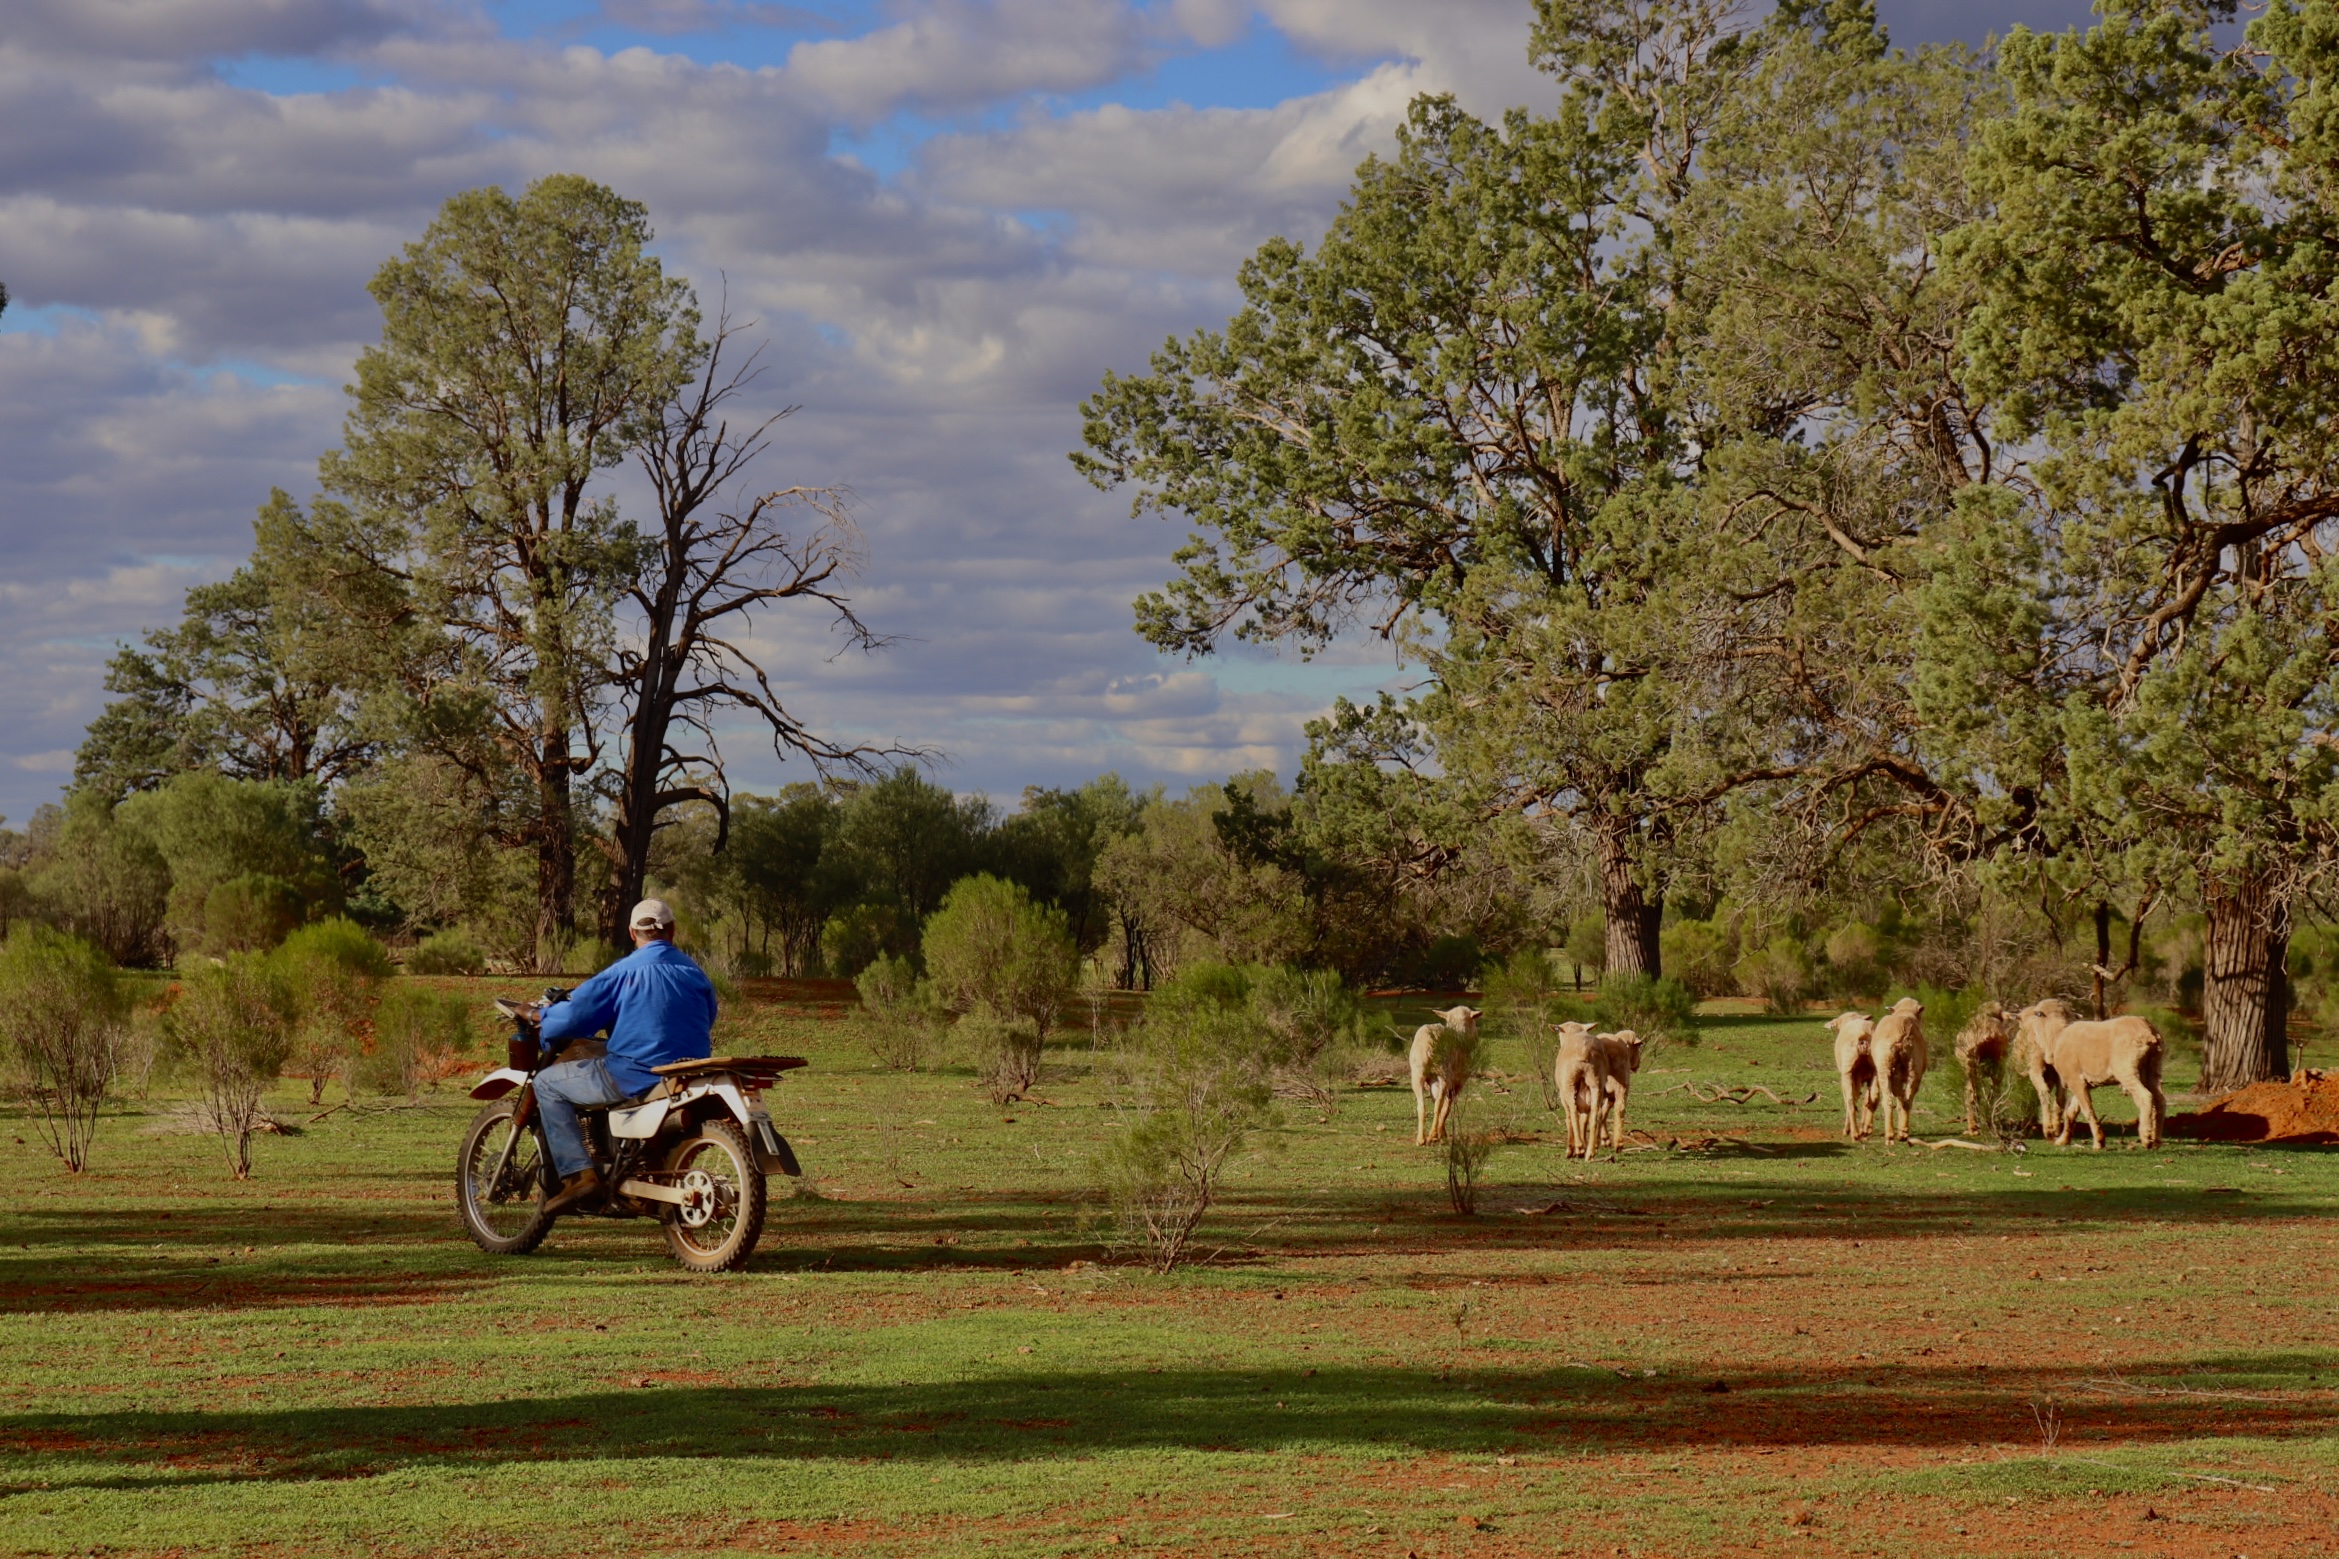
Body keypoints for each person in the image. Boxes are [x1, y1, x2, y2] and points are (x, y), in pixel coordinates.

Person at [528, 898, 717, 1216]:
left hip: (635, 1073)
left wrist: (538, 1017)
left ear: (632, 933)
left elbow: (576, 1016)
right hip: (688, 1071)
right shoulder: (694, 973)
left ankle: (579, 1174)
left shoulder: (622, 973)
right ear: (671, 931)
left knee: (547, 1083)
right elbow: (707, 1016)